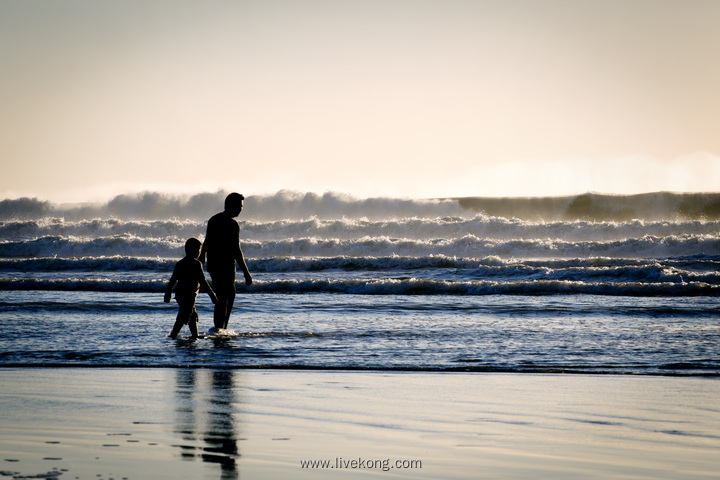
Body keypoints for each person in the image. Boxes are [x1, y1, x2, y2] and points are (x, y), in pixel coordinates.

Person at [199, 192, 253, 330]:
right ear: (230, 205)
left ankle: (221, 328)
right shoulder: (232, 224)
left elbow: (207, 240)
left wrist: (203, 255)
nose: (241, 209)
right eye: (239, 206)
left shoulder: (214, 219)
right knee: (225, 297)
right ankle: (220, 328)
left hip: (214, 264)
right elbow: (236, 250)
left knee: (225, 296)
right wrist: (246, 272)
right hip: (225, 264)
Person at [164, 238, 217, 339]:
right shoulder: (196, 264)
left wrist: (168, 294)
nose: (198, 253)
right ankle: (174, 334)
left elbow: (172, 281)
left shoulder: (180, 263)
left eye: (199, 250)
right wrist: (212, 296)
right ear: (189, 250)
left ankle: (194, 336)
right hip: (189, 295)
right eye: (197, 250)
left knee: (192, 316)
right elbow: (203, 282)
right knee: (184, 316)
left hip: (180, 295)